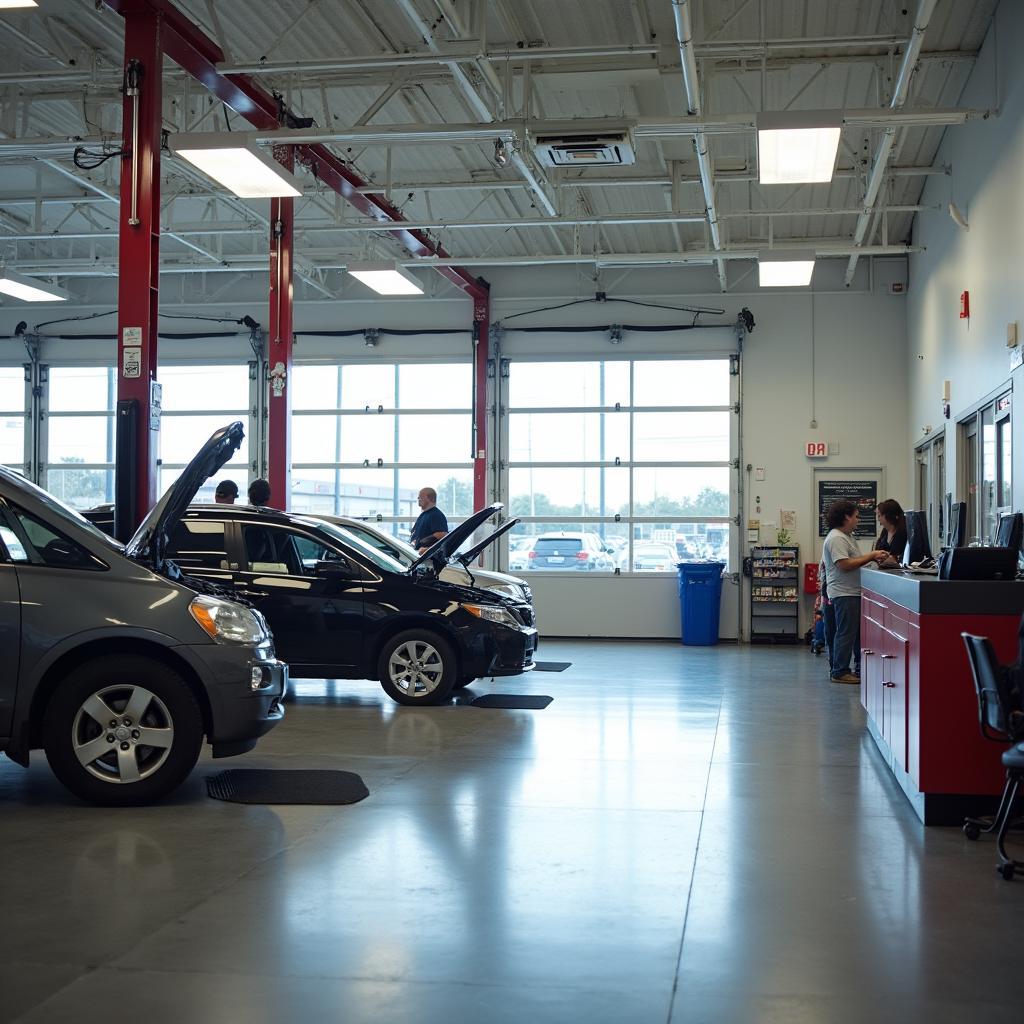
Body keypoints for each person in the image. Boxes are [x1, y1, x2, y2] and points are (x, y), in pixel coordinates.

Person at [822, 498, 888, 684]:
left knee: (851, 632)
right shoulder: (836, 538)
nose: (858, 520)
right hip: (844, 593)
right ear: (846, 517)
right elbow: (843, 564)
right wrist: (872, 555)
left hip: (851, 591)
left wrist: (872, 561)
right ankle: (840, 671)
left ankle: (849, 667)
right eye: (856, 517)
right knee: (846, 632)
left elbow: (854, 561)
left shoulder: (846, 537)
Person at [410, 487, 448, 554]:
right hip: (417, 554)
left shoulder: (436, 515)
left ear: (430, 498)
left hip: (428, 558)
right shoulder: (423, 515)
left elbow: (442, 535)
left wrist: (427, 549)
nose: (418, 499)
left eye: (421, 497)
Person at [875, 498, 908, 566]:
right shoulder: (885, 532)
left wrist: (895, 559)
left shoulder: (904, 532)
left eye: (879, 516)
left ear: (889, 516)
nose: (878, 519)